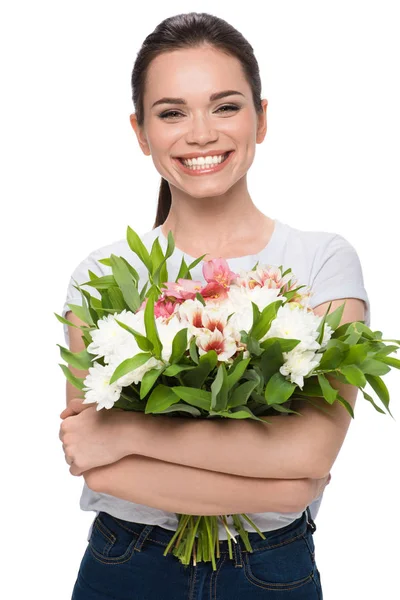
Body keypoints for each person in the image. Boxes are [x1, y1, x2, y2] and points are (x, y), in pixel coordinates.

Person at [59, 12, 370, 599]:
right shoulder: (104, 274)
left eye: (225, 106)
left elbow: (311, 451)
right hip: (125, 564)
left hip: (270, 569)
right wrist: (276, 482)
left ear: (262, 118)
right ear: (140, 132)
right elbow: (94, 463)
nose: (200, 133)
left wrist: (125, 431)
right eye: (171, 112)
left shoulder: (322, 261)